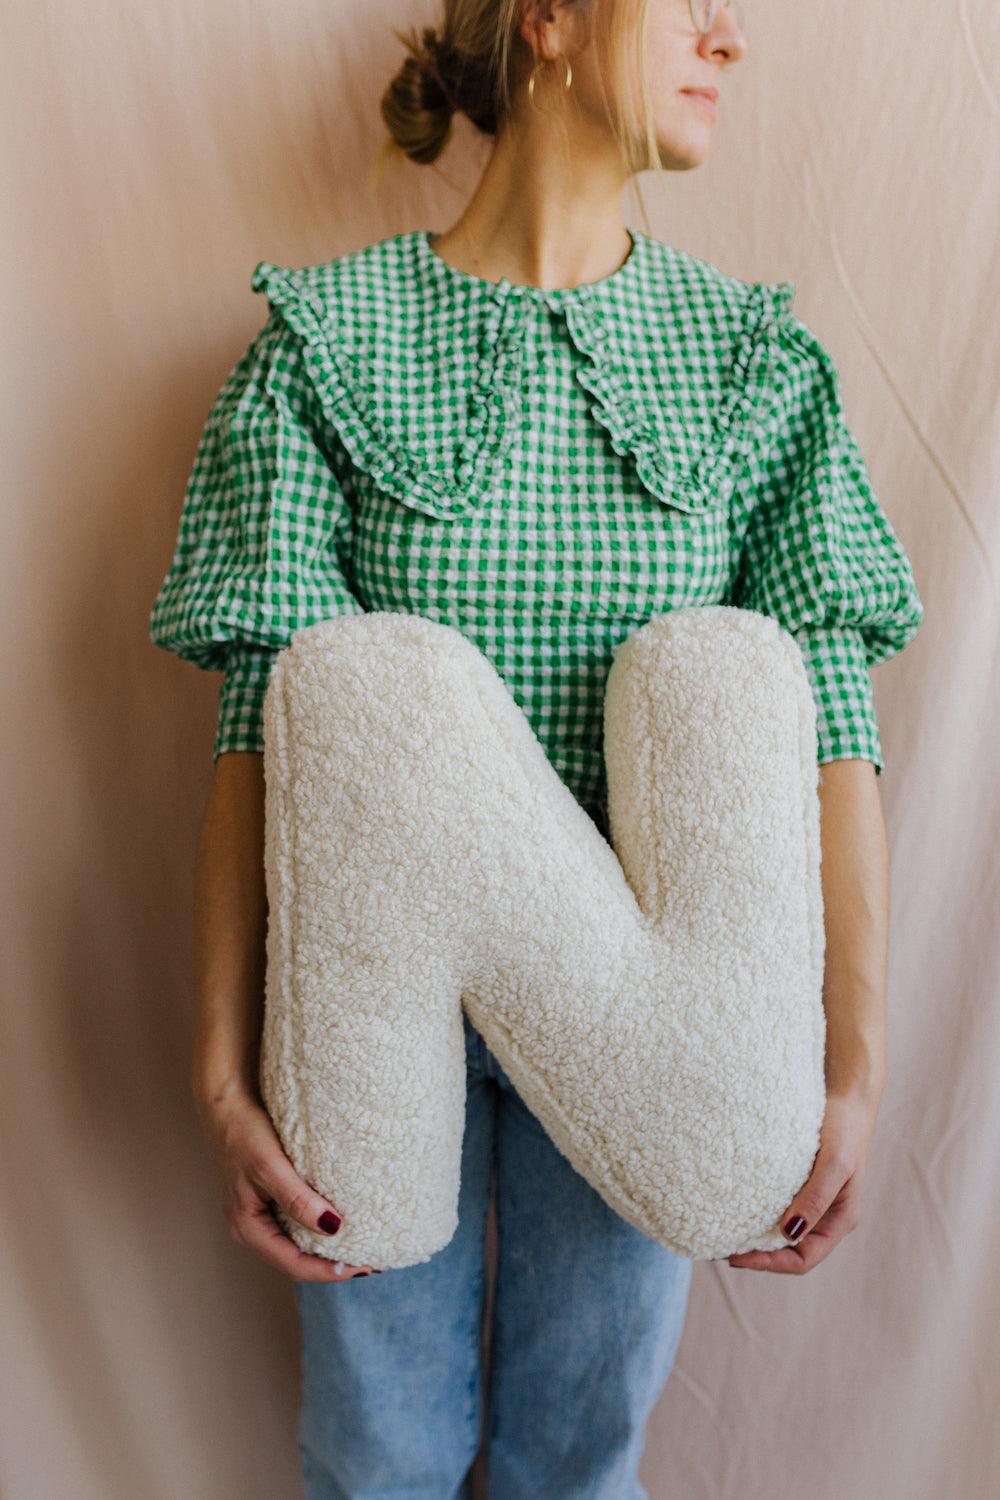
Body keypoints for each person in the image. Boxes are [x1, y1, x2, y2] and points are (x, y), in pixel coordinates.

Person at [148, 1, 925, 1494]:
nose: (730, 34)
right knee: (377, 1461)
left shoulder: (751, 363)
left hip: (657, 1024)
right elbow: (262, 723)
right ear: (553, 21)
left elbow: (829, 718)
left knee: (580, 1461)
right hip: (380, 1022)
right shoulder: (330, 344)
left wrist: (856, 1074)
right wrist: (221, 1067)